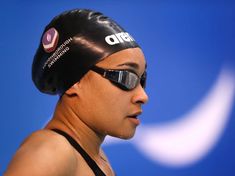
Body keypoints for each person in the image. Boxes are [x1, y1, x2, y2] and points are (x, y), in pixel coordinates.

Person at [4, 9, 148, 176]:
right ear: (74, 81)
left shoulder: (95, 158)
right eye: (125, 77)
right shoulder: (51, 149)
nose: (143, 96)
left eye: (142, 80)